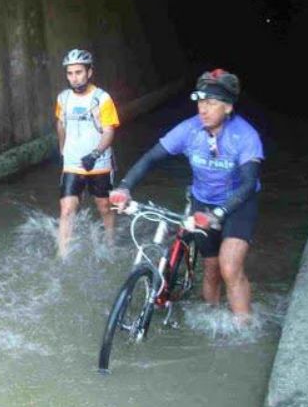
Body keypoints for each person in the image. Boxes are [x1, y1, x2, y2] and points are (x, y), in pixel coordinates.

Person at [109, 69, 263, 324]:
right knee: (211, 268)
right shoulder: (189, 130)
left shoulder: (245, 136)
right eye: (200, 102)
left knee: (229, 266)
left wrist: (218, 214)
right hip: (202, 200)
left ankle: (243, 328)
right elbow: (150, 158)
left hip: (237, 204)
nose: (203, 109)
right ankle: (212, 322)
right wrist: (124, 187)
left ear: (228, 107)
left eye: (211, 103)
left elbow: (248, 184)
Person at [55, 49, 120, 258]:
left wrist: (95, 153)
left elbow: (110, 130)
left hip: (99, 162)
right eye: (70, 73)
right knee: (66, 209)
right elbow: (60, 124)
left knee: (104, 207)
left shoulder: (102, 98)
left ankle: (110, 245)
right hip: (73, 163)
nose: (74, 78)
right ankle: (63, 255)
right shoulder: (63, 98)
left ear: (89, 72)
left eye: (79, 72)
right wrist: (62, 150)